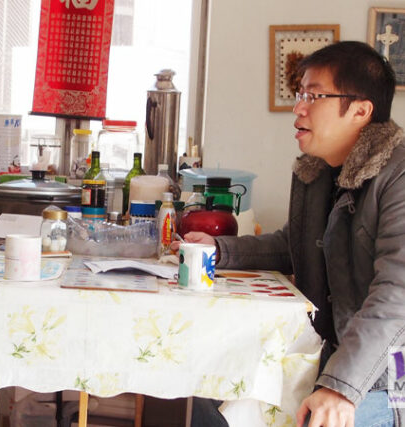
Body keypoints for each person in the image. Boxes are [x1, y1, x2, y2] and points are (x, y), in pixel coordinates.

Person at [173, 41, 405, 427]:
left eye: (314, 96)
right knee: (209, 385)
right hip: (322, 352)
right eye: (300, 94)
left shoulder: (398, 176)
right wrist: (218, 249)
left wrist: (341, 388)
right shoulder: (318, 171)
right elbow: (293, 245)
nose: (298, 108)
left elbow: (397, 297)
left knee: (311, 419)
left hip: (390, 374)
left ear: (361, 111)